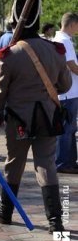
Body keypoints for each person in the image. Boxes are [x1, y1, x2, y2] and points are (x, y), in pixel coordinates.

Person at [0, 0, 72, 233]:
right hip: (48, 118)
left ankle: (6, 210)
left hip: (18, 119)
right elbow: (64, 85)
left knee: (14, 163)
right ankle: (55, 220)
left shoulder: (10, 54)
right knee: (46, 164)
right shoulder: (55, 50)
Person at [53, 12, 78, 174]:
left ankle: (69, 161)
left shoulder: (60, 40)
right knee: (67, 128)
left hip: (67, 91)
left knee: (69, 128)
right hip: (68, 92)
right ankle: (63, 162)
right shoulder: (64, 41)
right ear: (72, 24)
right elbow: (71, 64)